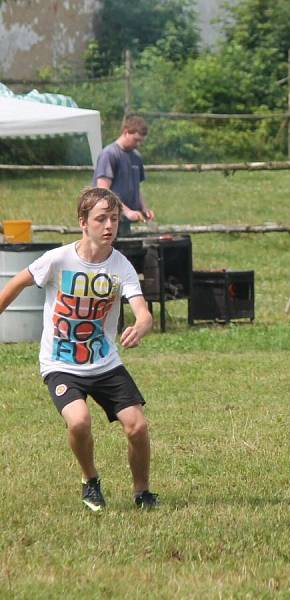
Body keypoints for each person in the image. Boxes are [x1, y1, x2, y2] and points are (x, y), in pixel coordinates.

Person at [0, 187, 159, 511]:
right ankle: (90, 480)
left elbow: (142, 311)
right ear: (83, 223)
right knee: (79, 421)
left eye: (113, 219)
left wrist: (142, 324)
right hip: (61, 363)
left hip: (104, 362)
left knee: (137, 426)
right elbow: (17, 282)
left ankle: (141, 493)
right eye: (101, 219)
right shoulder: (59, 259)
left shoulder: (121, 265)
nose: (109, 226)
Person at [92, 114, 154, 237]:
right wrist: (126, 211)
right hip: (107, 221)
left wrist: (144, 209)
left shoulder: (136, 157)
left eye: (141, 141)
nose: (138, 144)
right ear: (126, 132)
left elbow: (137, 188)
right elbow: (103, 190)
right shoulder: (109, 154)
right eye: (136, 140)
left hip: (124, 222)